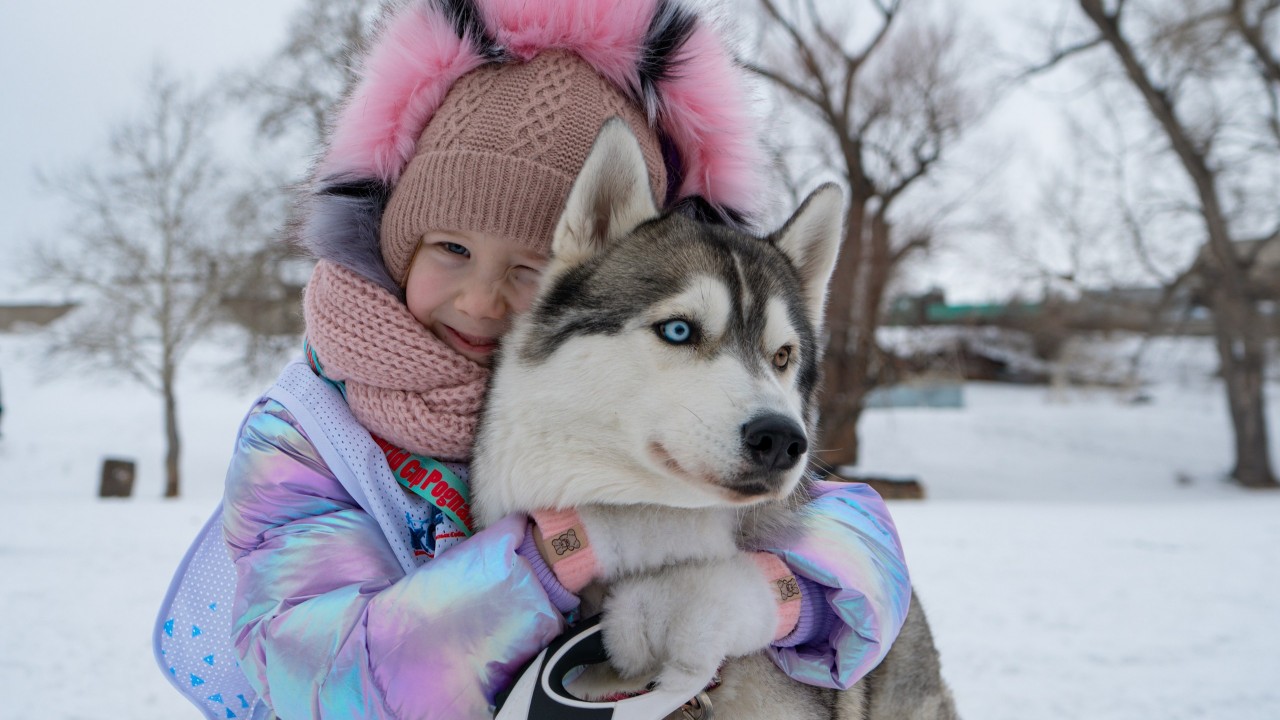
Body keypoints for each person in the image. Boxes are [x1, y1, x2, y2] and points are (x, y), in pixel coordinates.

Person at [220, 2, 910, 717]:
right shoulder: (311, 433)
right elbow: (317, 678)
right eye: (452, 249)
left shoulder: (645, 403)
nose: (484, 300)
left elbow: (854, 541)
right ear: (399, 244)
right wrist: (567, 551)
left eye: (530, 265)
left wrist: (764, 597)